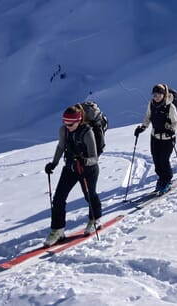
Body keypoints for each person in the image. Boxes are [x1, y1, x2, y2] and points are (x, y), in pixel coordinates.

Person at [43, 104, 103, 247]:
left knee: (89, 194)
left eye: (70, 123)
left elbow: (95, 157)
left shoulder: (88, 132)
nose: (67, 126)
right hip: (70, 167)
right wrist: (54, 163)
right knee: (58, 198)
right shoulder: (64, 130)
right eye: (65, 122)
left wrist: (85, 161)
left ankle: (95, 219)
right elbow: (60, 146)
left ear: (79, 120)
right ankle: (58, 230)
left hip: (88, 169)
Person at [134, 84, 177, 194]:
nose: (156, 96)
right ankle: (161, 179)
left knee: (164, 160)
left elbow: (176, 122)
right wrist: (142, 127)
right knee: (156, 160)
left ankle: (167, 180)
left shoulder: (170, 107)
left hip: (168, 138)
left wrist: (172, 130)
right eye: (154, 94)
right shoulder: (151, 104)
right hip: (155, 137)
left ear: (163, 95)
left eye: (158, 94)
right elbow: (147, 117)